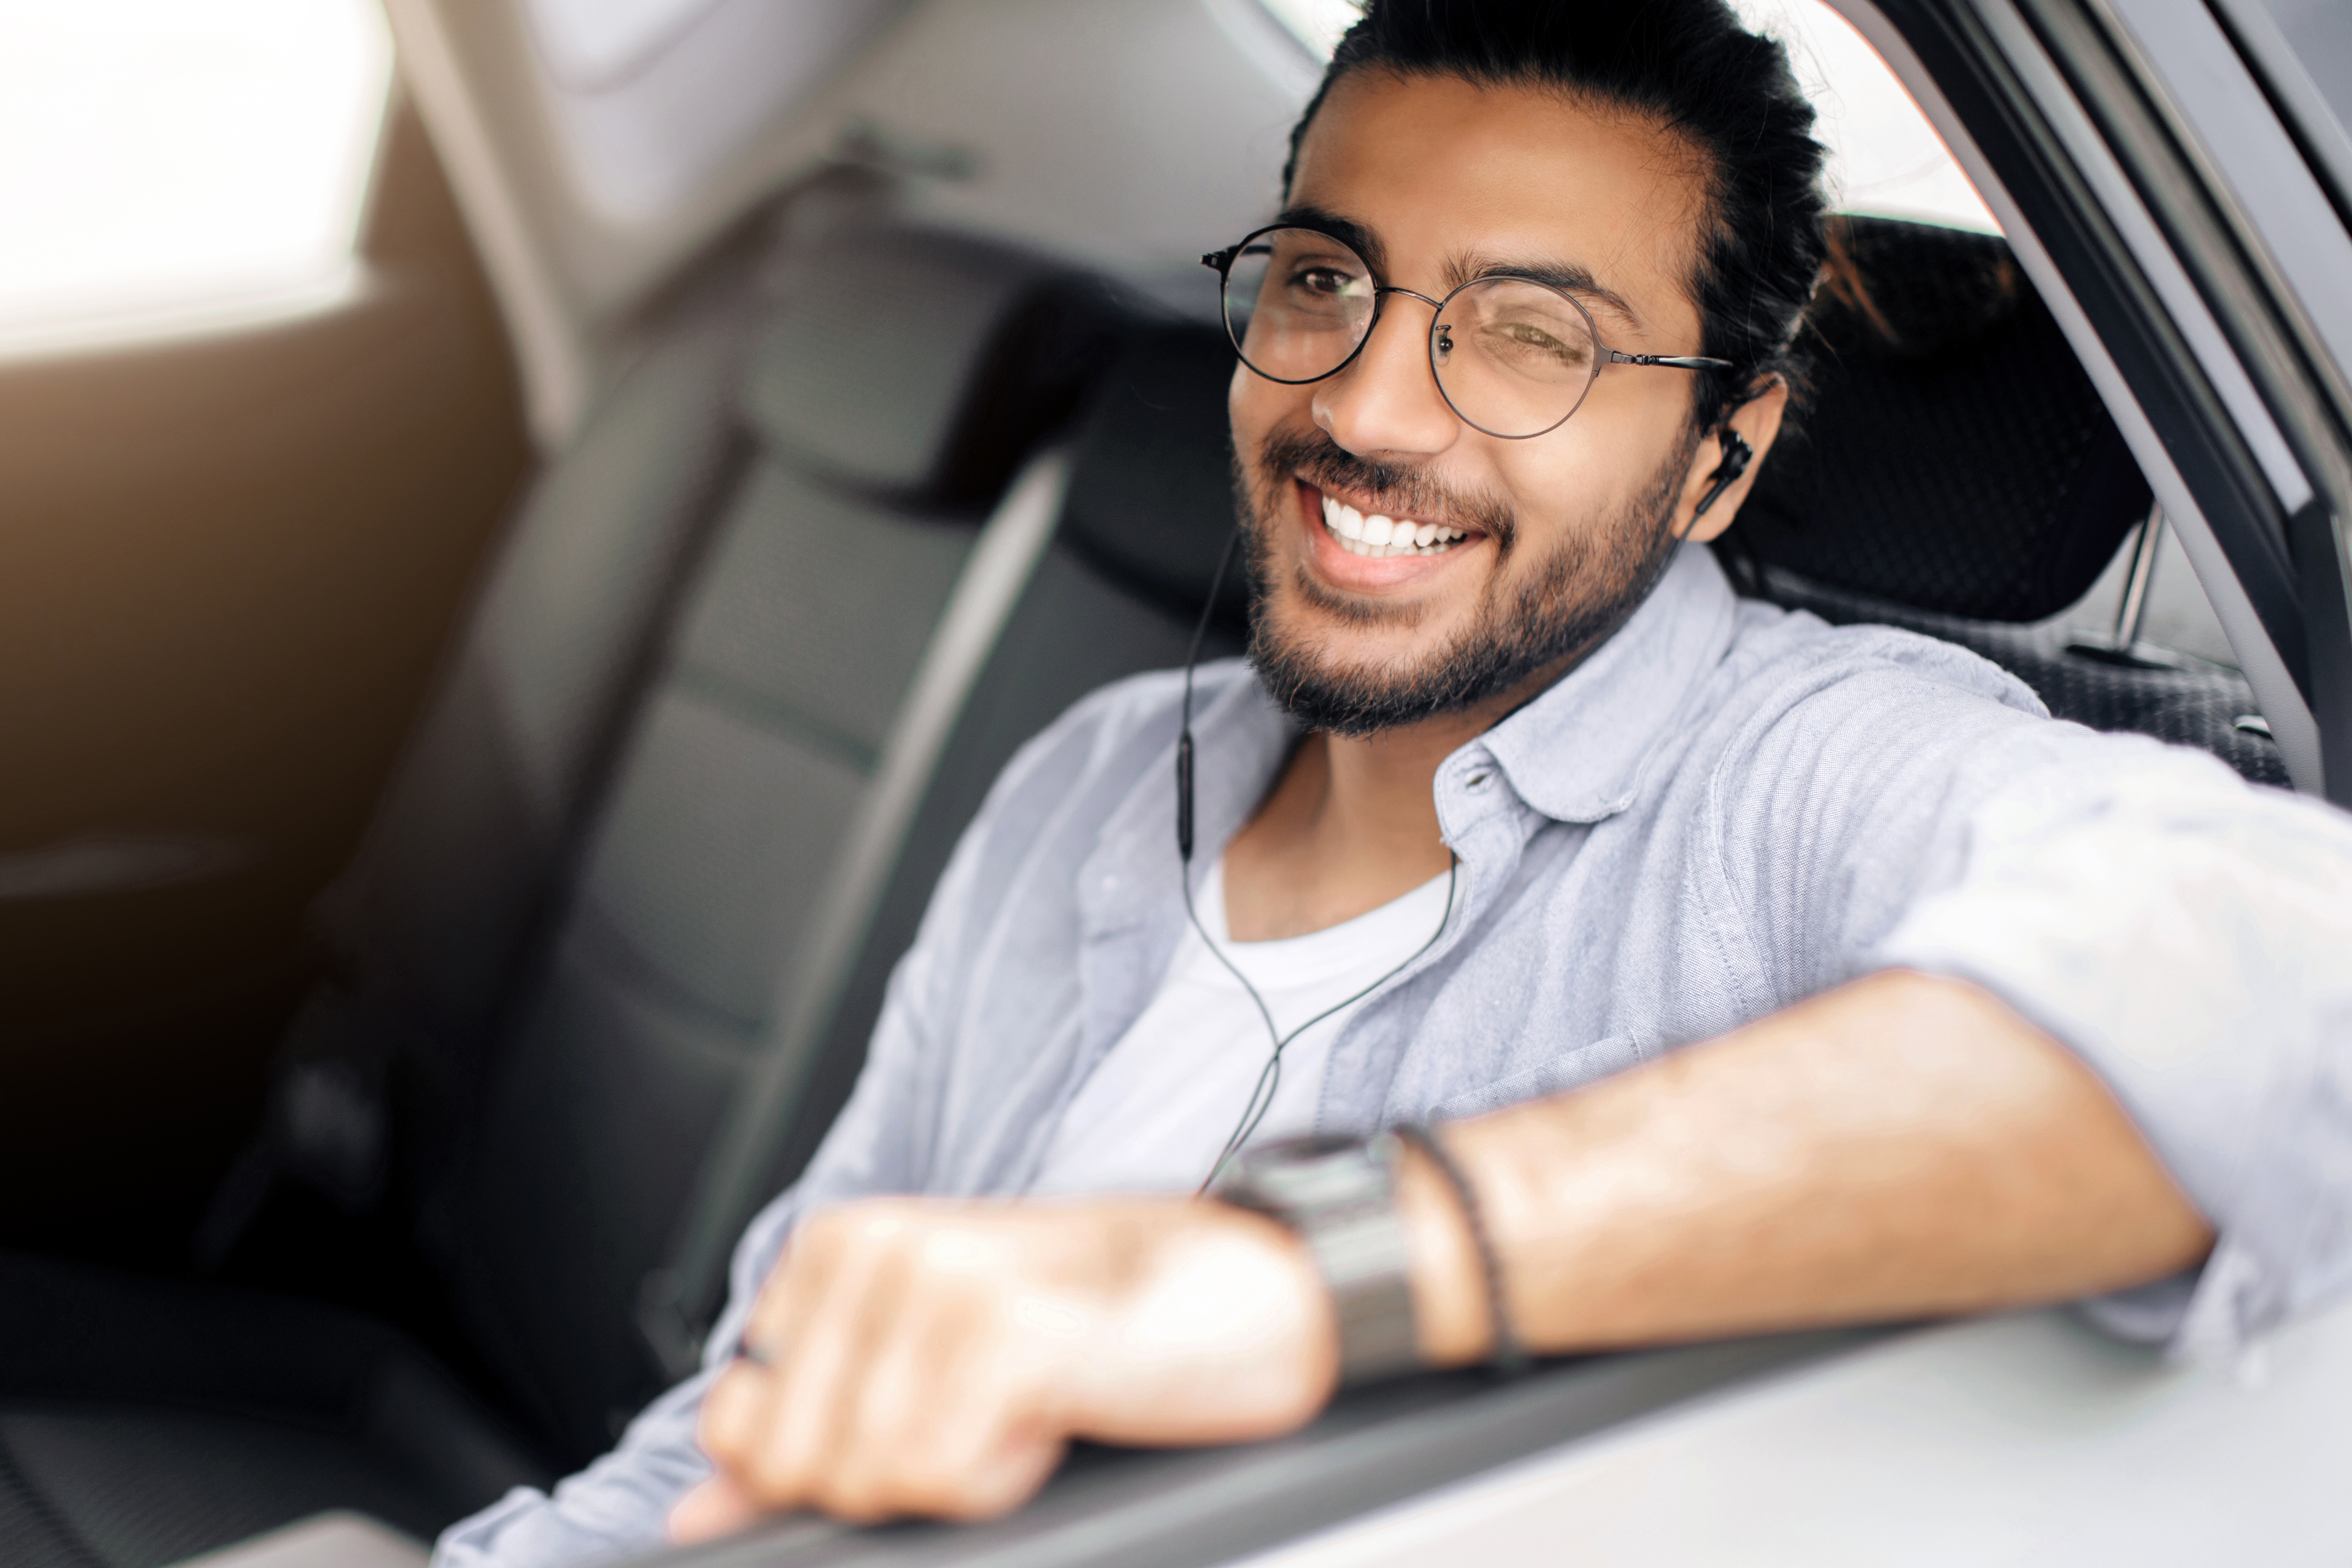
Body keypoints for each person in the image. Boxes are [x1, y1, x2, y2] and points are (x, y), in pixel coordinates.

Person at [438, 1, 2352, 1561]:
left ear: (1715, 462)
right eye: (1318, 284)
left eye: (1529, 338)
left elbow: (2293, 961)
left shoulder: (1790, 779)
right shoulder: (1095, 781)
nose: (1365, 408)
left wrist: (1316, 1274)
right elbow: (739, 1408)